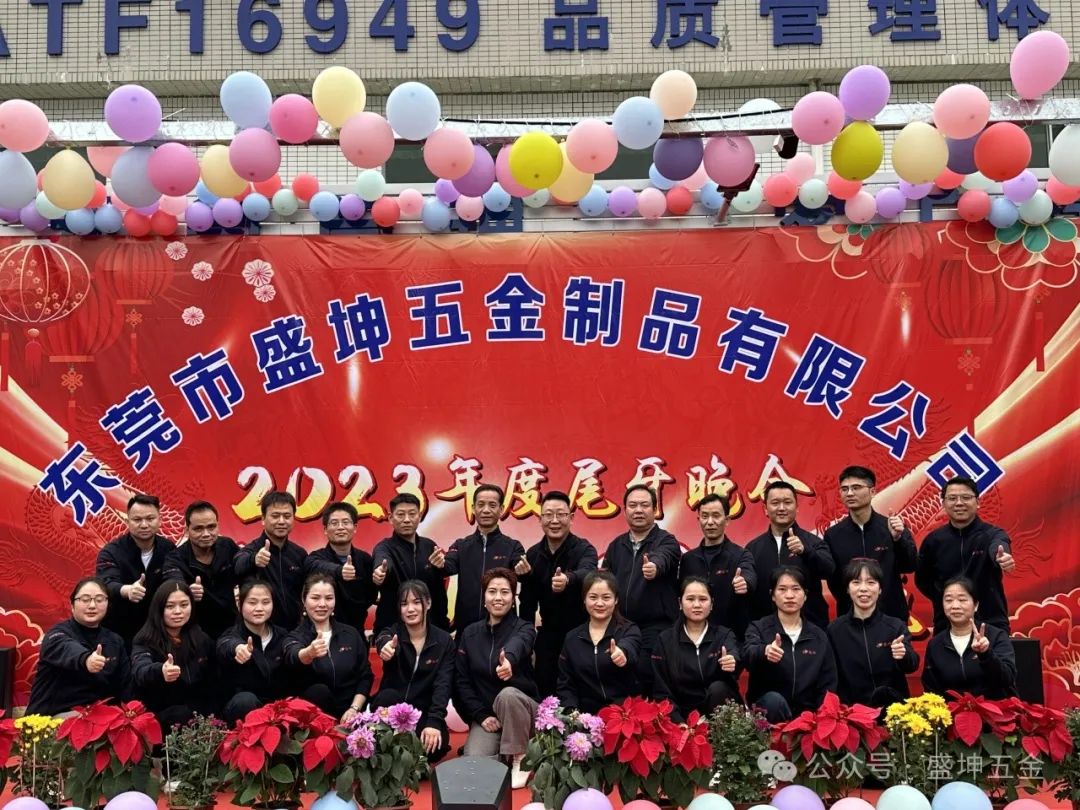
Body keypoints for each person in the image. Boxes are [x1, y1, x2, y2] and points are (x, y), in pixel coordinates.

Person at [454, 568, 539, 789]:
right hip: (490, 719)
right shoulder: (469, 634)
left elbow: (520, 644)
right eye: (492, 592)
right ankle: (504, 755)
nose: (498, 597)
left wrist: (508, 660)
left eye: (505, 592)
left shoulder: (525, 628)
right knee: (474, 767)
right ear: (484, 597)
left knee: (507, 694)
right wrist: (480, 715)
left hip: (523, 715)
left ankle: (520, 757)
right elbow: (462, 681)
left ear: (513, 597)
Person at [517, 491, 598, 697]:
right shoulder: (532, 554)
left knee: (581, 689)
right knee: (545, 689)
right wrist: (526, 642)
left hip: (581, 632)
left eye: (561, 514)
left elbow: (589, 572)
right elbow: (527, 603)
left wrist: (568, 579)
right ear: (540, 519)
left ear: (571, 518)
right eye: (548, 515)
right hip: (548, 634)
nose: (554, 521)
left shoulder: (584, 549)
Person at [600, 484, 680, 691]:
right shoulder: (616, 546)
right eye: (633, 505)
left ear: (655, 509)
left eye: (644, 505)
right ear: (625, 509)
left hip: (656, 627)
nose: (638, 510)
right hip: (622, 626)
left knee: (648, 675)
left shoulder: (667, 541)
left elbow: (664, 557)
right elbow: (605, 581)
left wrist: (655, 566)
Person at [916, 476, 1015, 635]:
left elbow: (999, 545)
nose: (959, 503)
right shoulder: (933, 541)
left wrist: (1002, 557)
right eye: (952, 498)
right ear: (943, 503)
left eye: (966, 497)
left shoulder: (992, 534)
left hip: (991, 623)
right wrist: (946, 597)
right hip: (947, 625)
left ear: (978, 502)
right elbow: (922, 580)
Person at [371, 580, 455, 763]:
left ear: (428, 603)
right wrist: (385, 647)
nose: (410, 609)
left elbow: (443, 684)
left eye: (416, 602)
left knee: (437, 743)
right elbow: (383, 638)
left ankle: (403, 756)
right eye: (404, 604)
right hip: (391, 708)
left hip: (421, 710)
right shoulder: (392, 634)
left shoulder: (444, 641)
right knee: (387, 697)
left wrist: (434, 721)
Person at [823, 466, 918, 623]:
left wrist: (898, 539)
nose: (850, 493)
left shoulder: (891, 527)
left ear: (872, 491)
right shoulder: (833, 535)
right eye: (845, 489)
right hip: (850, 619)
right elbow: (834, 580)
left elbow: (910, 565)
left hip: (892, 617)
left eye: (856, 488)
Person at [743, 566, 838, 723]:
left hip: (807, 719)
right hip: (769, 714)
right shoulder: (759, 628)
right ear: (772, 595)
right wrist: (764, 651)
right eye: (782, 589)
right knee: (774, 701)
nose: (789, 595)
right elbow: (747, 654)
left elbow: (828, 682)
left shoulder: (818, 636)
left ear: (805, 595)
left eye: (796, 589)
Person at [27, 577, 131, 716]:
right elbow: (66, 648)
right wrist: (86, 659)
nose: (92, 605)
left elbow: (125, 686)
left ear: (107, 604)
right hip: (52, 717)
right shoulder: (56, 634)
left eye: (99, 600)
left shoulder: (115, 641)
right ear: (72, 605)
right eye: (85, 599)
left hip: (99, 717)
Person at [827, 560, 919, 708]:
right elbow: (830, 676)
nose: (863, 589)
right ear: (848, 589)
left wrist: (904, 655)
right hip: (853, 712)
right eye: (856, 582)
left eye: (871, 582)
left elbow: (912, 665)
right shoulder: (834, 630)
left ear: (880, 589)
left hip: (893, 711)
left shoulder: (895, 626)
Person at [283, 573, 373, 724]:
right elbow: (293, 654)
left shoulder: (351, 633)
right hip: (316, 719)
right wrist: (309, 653)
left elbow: (365, 676)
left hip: (352, 714)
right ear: (304, 600)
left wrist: (354, 709)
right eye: (315, 598)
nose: (322, 604)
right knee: (319, 691)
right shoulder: (295, 636)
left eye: (329, 598)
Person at [652, 576, 742, 722]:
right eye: (690, 599)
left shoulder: (724, 635)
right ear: (680, 603)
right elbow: (662, 691)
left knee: (718, 688)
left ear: (712, 604)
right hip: (683, 717)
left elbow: (734, 654)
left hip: (720, 715)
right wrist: (679, 722)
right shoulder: (665, 641)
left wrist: (733, 661)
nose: (697, 605)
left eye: (703, 599)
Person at [746, 482, 834, 629]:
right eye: (775, 503)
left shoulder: (813, 542)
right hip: (766, 631)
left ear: (797, 507)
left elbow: (829, 570)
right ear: (765, 509)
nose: (781, 508)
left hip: (810, 629)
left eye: (787, 502)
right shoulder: (753, 548)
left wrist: (806, 552)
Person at [131, 580, 218, 729]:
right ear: (159, 609)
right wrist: (160, 670)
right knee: (179, 714)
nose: (178, 611)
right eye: (170, 606)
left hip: (199, 716)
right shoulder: (145, 640)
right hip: (164, 719)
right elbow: (140, 670)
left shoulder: (201, 638)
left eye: (184, 605)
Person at [441, 485, 525, 631]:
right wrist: (439, 564)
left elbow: (523, 573)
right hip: (466, 629)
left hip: (503, 630)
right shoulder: (461, 545)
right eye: (481, 505)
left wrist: (525, 572)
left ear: (501, 509)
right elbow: (448, 567)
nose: (486, 510)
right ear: (473, 508)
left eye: (492, 505)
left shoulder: (513, 547)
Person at [556, 570, 641, 713]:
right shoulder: (572, 638)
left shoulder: (629, 630)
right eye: (593, 597)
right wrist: (572, 714)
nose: (599, 603)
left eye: (606, 597)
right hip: (584, 716)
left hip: (623, 714)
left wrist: (623, 653)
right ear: (584, 599)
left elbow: (630, 645)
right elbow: (566, 684)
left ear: (616, 599)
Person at [96, 494, 175, 646]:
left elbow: (175, 578)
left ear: (160, 520)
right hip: (119, 632)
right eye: (137, 520)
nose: (144, 525)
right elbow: (105, 583)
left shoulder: (169, 549)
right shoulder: (111, 552)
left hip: (159, 631)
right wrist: (127, 590)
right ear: (127, 522)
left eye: (150, 519)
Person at [922, 577, 1017, 699]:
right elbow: (931, 689)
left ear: (976, 605)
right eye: (948, 600)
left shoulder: (996, 636)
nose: (955, 606)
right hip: (952, 710)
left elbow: (1007, 679)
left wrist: (985, 654)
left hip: (994, 708)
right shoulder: (935, 644)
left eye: (962, 600)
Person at [679, 493, 756, 640]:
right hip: (696, 638)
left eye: (716, 516)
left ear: (727, 520)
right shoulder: (688, 559)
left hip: (733, 638)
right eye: (705, 516)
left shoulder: (741, 555)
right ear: (699, 520)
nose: (710, 522)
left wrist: (745, 582)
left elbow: (749, 574)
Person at [372, 493, 449, 634]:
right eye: (401, 515)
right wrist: (380, 572)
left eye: (412, 514)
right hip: (394, 629)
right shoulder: (384, 547)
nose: (406, 520)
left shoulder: (430, 546)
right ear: (391, 518)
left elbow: (439, 591)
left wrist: (441, 566)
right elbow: (382, 561)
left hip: (431, 628)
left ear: (419, 517)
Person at [163, 501, 239, 639]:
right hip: (193, 634)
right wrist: (186, 591)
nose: (206, 534)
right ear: (187, 530)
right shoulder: (175, 558)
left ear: (218, 526)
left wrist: (253, 560)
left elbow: (246, 571)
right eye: (198, 529)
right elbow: (173, 582)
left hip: (232, 629)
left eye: (211, 527)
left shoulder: (228, 546)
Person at [216, 580, 287, 723]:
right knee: (245, 700)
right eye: (252, 602)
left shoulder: (282, 635)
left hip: (277, 709)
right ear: (239, 604)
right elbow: (225, 645)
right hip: (244, 710)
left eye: (266, 602)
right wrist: (238, 648)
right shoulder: (232, 635)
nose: (259, 608)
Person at [235, 491, 308, 630]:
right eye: (275, 516)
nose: (281, 521)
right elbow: (238, 564)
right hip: (260, 631)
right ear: (263, 519)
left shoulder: (299, 554)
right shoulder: (251, 550)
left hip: (294, 631)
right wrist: (254, 559)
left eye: (287, 516)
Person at [305, 502, 376, 634]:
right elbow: (315, 566)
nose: (340, 527)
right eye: (334, 523)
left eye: (345, 522)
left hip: (356, 632)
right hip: (322, 633)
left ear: (355, 527)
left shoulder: (365, 560)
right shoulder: (315, 558)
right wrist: (339, 571)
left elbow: (371, 595)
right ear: (325, 529)